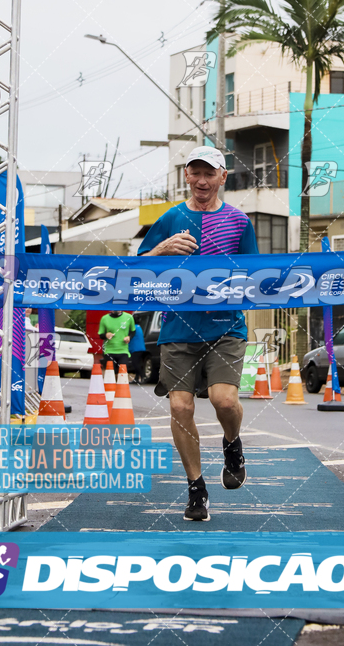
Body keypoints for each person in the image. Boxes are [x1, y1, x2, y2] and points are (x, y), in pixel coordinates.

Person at [138, 145, 259, 523]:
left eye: (210, 174)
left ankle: (232, 445)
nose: (202, 181)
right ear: (186, 176)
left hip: (225, 327)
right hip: (177, 328)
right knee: (179, 407)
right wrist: (161, 248)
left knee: (224, 402)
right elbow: (133, 267)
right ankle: (196, 489)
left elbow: (257, 275)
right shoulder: (170, 218)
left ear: (224, 177)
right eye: (195, 173)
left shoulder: (240, 222)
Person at [98, 311, 135, 376]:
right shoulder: (104, 318)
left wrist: (129, 337)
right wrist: (106, 335)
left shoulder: (129, 317)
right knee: (111, 374)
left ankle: (120, 385)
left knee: (122, 373)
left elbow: (133, 331)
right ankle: (111, 385)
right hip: (109, 351)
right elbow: (101, 334)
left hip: (123, 351)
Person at [128, 316, 147, 385]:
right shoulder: (139, 327)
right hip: (141, 348)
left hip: (135, 348)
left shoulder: (133, 328)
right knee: (139, 363)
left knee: (136, 364)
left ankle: (142, 376)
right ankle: (136, 378)